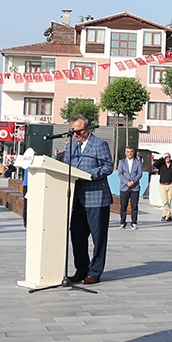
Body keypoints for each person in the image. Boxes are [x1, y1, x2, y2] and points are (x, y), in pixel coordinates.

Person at [61, 115, 114, 284]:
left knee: (98, 238)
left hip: (96, 197)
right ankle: (81, 269)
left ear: (87, 129)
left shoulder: (99, 144)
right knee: (77, 236)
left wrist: (89, 175)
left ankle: (95, 272)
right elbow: (64, 166)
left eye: (78, 130)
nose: (75, 134)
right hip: (77, 199)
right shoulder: (71, 147)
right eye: (73, 131)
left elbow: (108, 166)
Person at [116, 148, 142, 229]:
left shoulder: (138, 162)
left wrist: (133, 182)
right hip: (124, 187)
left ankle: (134, 222)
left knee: (134, 206)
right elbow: (120, 174)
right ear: (125, 153)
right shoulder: (121, 162)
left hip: (135, 187)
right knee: (123, 206)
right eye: (128, 152)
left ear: (134, 153)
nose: (130, 153)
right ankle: (122, 222)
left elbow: (140, 173)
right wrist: (127, 182)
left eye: (131, 152)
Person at [153, 152, 172, 221]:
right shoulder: (161, 165)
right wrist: (162, 158)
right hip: (162, 185)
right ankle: (168, 215)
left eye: (168, 157)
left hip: (170, 184)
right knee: (165, 201)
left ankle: (165, 215)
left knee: (168, 201)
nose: (167, 158)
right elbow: (155, 164)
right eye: (165, 157)